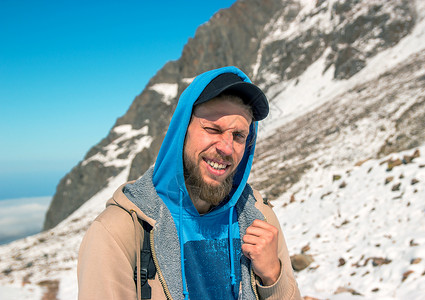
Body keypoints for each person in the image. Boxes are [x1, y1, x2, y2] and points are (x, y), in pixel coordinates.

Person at [77, 66, 302, 300]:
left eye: (238, 136)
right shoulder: (118, 233)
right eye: (212, 129)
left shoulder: (258, 218)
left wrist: (272, 276)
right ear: (181, 131)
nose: (226, 148)